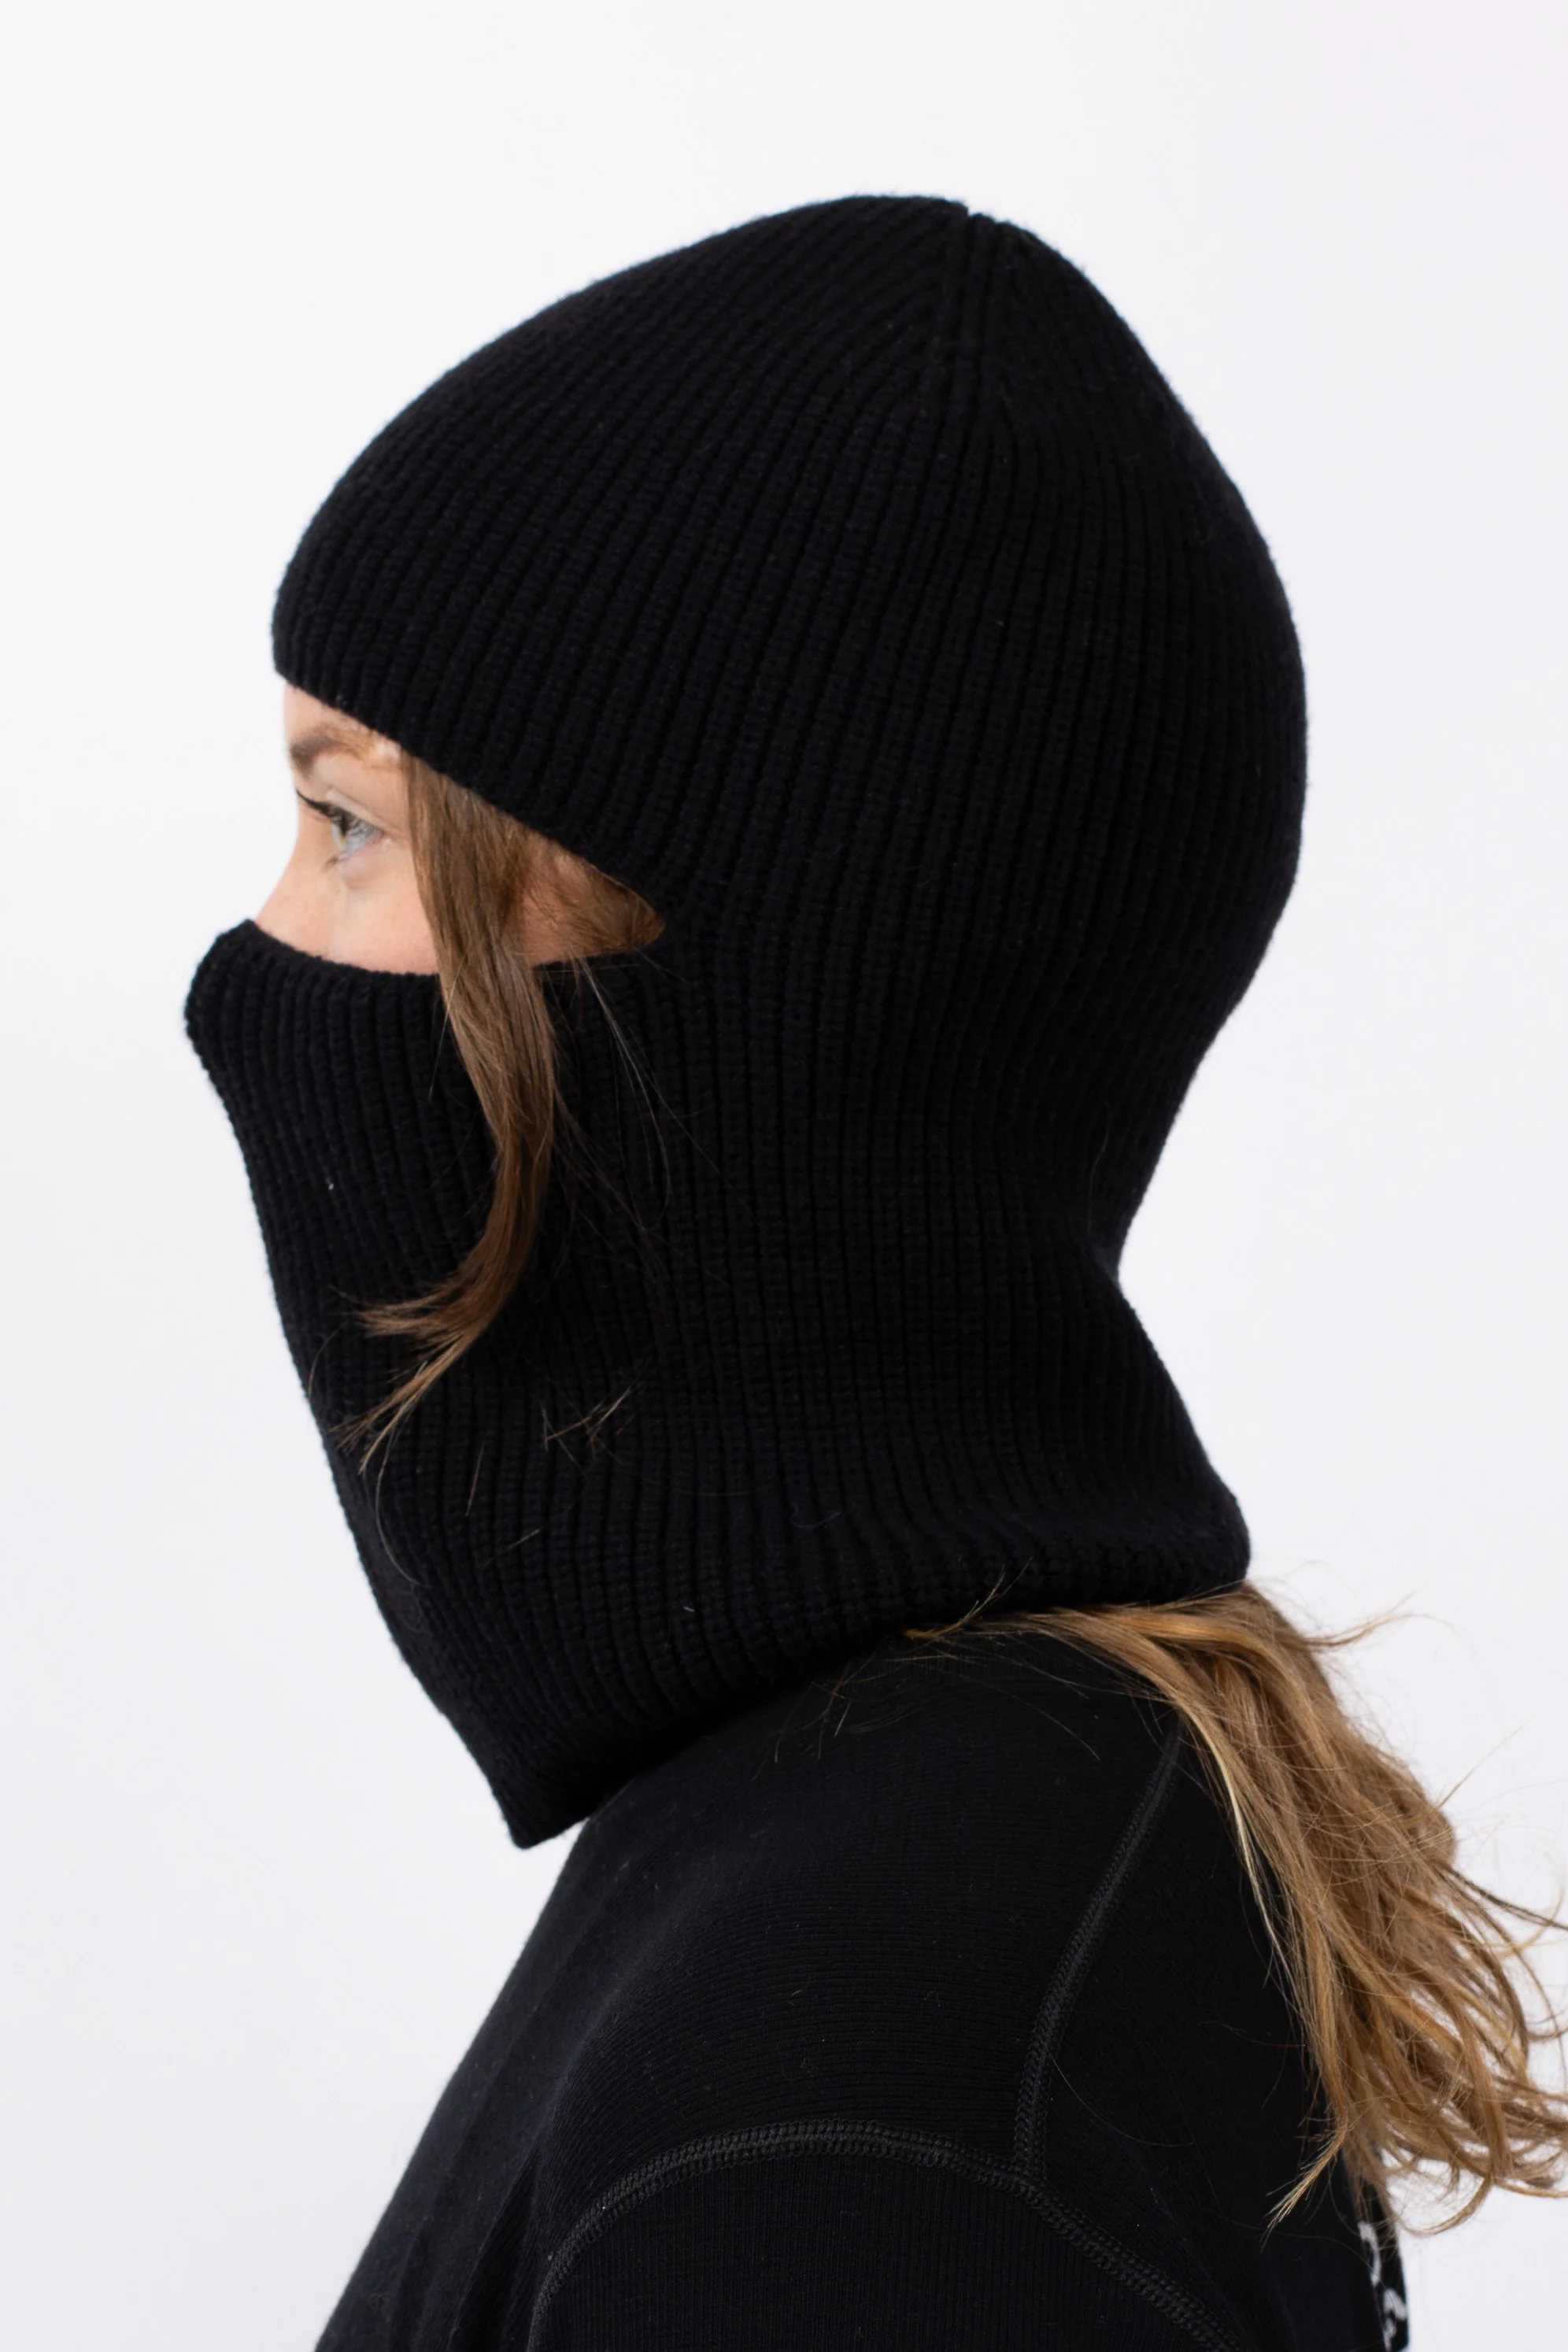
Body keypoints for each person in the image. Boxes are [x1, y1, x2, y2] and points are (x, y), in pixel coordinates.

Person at [186, 195, 1566, 2351]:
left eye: (351, 825)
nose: (258, 956)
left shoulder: (830, 2122)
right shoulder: (986, 1815)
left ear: (766, 1009)